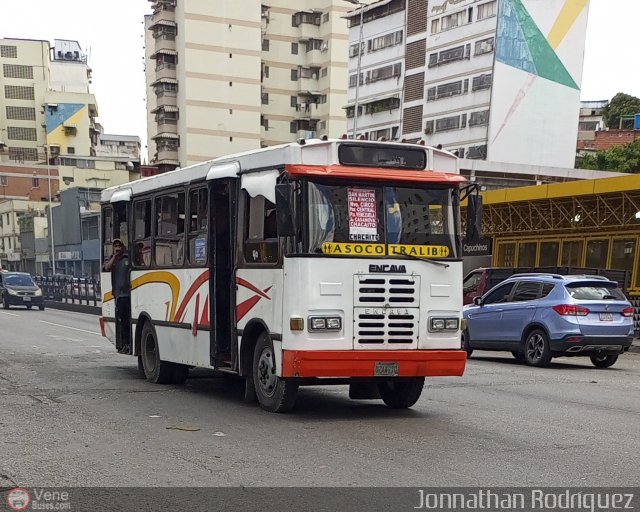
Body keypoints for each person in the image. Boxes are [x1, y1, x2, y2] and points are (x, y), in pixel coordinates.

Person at [103, 238, 131, 354]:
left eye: (119, 246)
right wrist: (114, 256)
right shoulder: (112, 260)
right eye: (115, 246)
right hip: (119, 296)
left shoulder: (127, 259)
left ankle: (129, 344)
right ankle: (125, 343)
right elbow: (107, 268)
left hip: (129, 295)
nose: (117, 248)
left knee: (128, 321)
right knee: (123, 321)